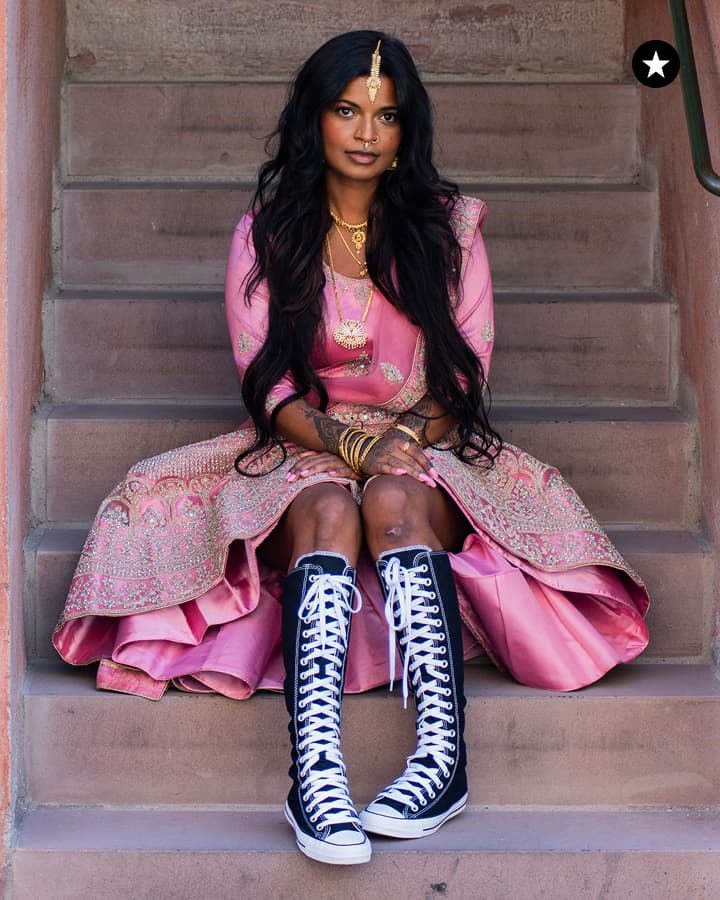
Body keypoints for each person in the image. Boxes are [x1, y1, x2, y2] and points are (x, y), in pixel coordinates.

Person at [53, 31, 650, 867]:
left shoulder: (450, 232)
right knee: (332, 505)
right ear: (316, 120)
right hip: (307, 444)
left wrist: (402, 436)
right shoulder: (267, 234)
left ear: (406, 133)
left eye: (386, 115)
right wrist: (341, 441)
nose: (366, 131)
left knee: (392, 499)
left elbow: (466, 368)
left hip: (426, 442)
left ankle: (442, 761)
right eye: (347, 110)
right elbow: (267, 386)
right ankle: (317, 774)